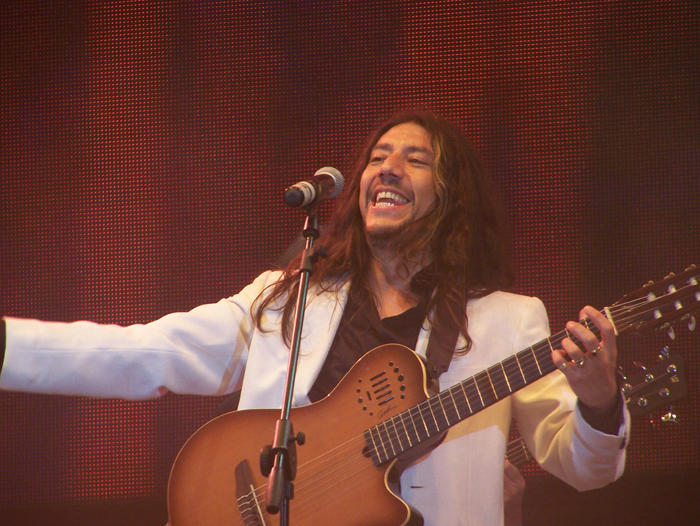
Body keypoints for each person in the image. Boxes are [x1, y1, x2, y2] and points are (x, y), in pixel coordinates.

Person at [0, 110, 629, 525]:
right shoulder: (290, 296)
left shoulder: (508, 323)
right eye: (378, 156)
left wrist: (600, 404)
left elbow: (584, 468)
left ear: (451, 194)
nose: (386, 167)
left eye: (416, 158)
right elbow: (148, 351)